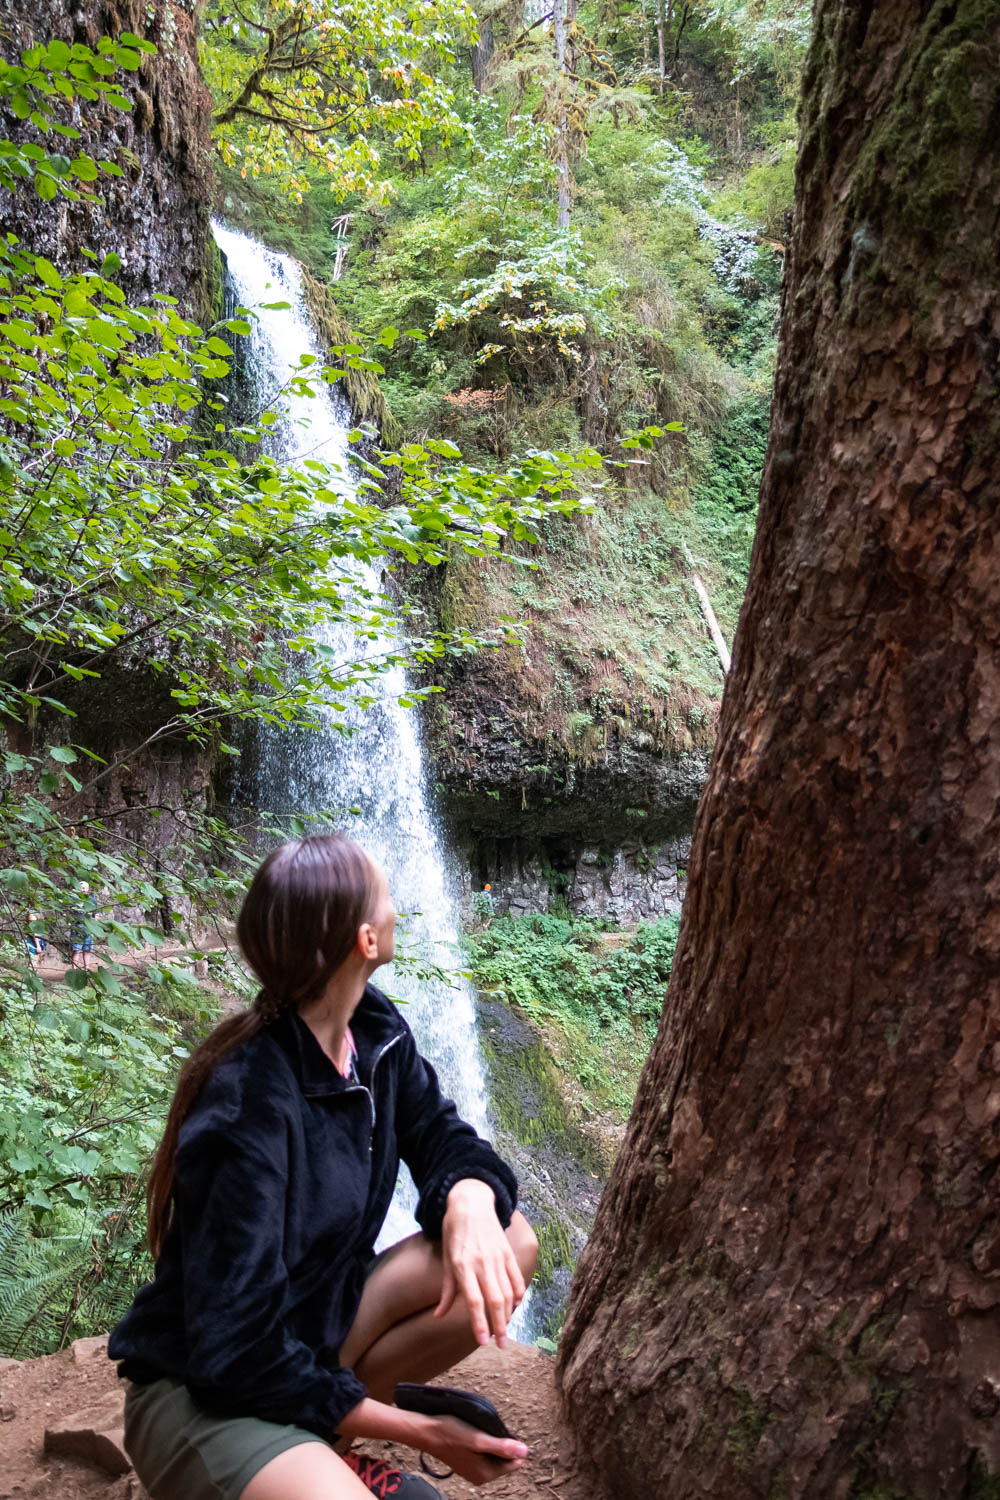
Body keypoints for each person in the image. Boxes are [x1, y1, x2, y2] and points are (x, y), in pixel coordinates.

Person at [108, 834, 537, 1500]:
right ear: (366, 940)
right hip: (205, 1393)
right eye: (387, 895)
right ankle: (302, 1454)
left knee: (510, 1241)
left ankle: (325, 1443)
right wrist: (419, 1431)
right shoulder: (247, 1102)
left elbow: (444, 1135)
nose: (400, 906)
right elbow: (235, 1352)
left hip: (309, 1332)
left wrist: (471, 1201)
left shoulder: (375, 1035)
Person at [69, 881, 95, 969]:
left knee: (87, 950)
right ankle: (74, 969)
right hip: (77, 928)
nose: (82, 890)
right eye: (81, 888)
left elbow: (96, 913)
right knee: (76, 950)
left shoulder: (92, 899)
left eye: (84, 888)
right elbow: (68, 911)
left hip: (89, 928)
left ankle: (86, 969)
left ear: (88, 889)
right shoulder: (73, 899)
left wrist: (94, 923)